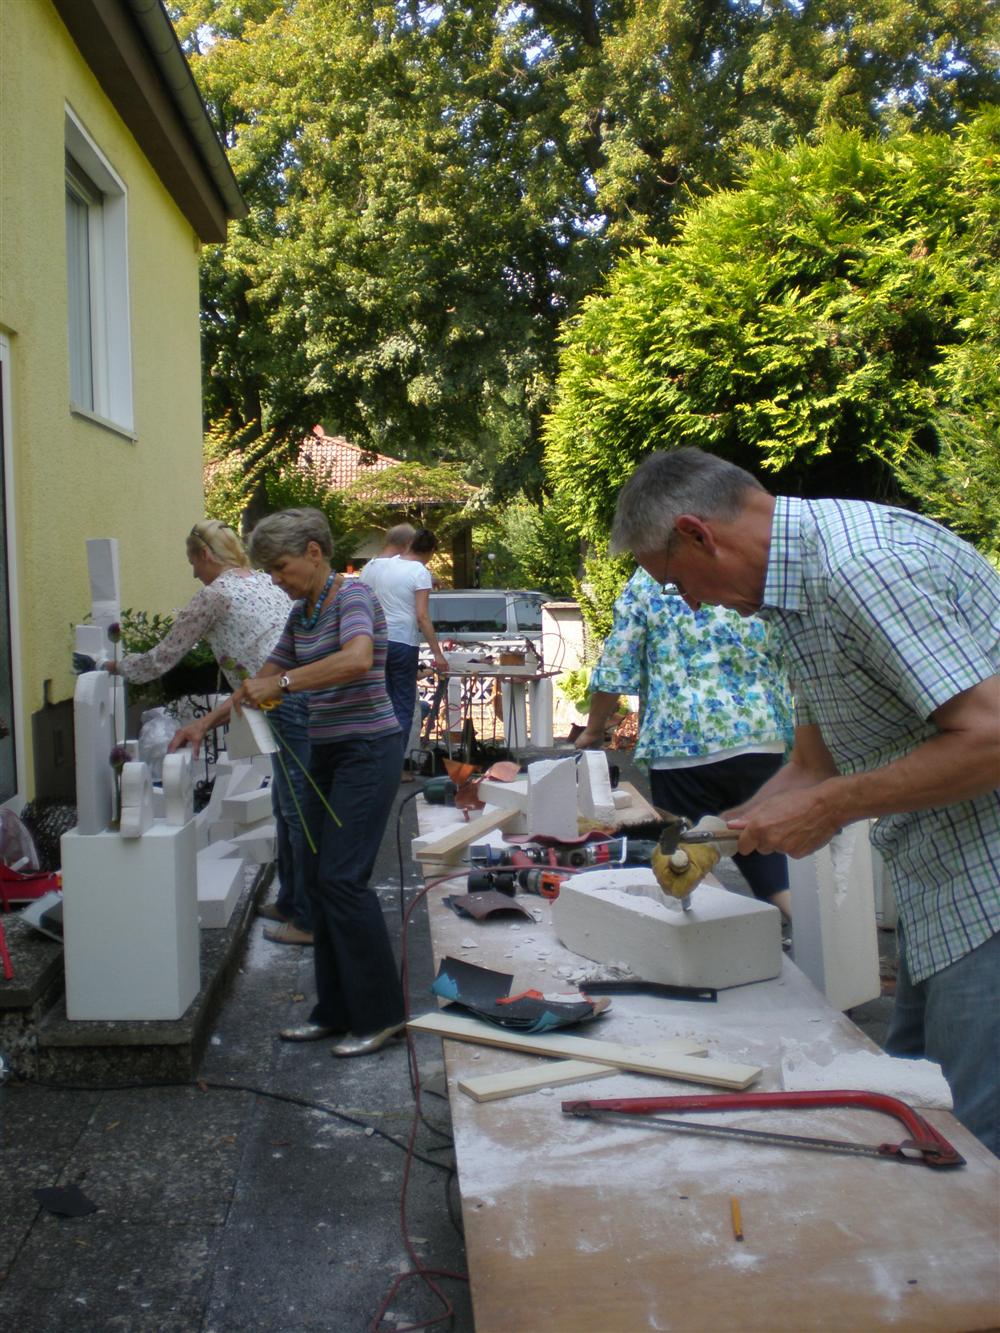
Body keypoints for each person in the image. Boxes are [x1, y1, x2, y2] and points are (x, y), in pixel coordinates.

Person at [610, 447, 1000, 1155]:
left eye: (676, 581)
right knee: (909, 1116)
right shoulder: (794, 600)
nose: (687, 602)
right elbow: (813, 767)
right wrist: (714, 837)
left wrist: (834, 806)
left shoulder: (863, 567)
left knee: (970, 1148)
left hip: (989, 890)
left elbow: (991, 738)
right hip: (942, 884)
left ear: (697, 534)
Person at [82, 520, 314, 946]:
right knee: (286, 805)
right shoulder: (261, 581)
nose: (193, 573)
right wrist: (208, 721)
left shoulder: (215, 595)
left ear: (205, 555)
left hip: (284, 703)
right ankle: (292, 901)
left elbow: (160, 659)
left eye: (192, 562)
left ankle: (309, 919)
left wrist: (108, 665)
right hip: (294, 693)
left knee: (296, 810)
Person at [236, 507, 405, 1057]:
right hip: (327, 753)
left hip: (368, 750)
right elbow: (259, 681)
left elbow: (356, 659)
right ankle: (334, 1011)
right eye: (269, 571)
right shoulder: (302, 613)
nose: (275, 580)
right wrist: (200, 725)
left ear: (314, 552)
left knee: (342, 879)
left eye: (280, 567)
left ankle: (382, 1015)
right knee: (316, 878)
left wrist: (283, 684)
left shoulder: (353, 596)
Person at [575, 568, 794, 917]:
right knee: (764, 850)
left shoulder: (650, 578)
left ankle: (694, 942)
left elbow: (618, 663)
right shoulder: (743, 566)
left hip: (681, 746)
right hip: (760, 738)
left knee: (682, 863)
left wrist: (593, 729)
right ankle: (809, 935)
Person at [360, 525, 449, 773]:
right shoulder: (420, 571)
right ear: (429, 551)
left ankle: (378, 761)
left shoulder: (386, 565)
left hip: (378, 641)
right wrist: (438, 654)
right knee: (403, 705)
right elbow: (422, 616)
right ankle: (394, 765)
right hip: (403, 642)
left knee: (384, 703)